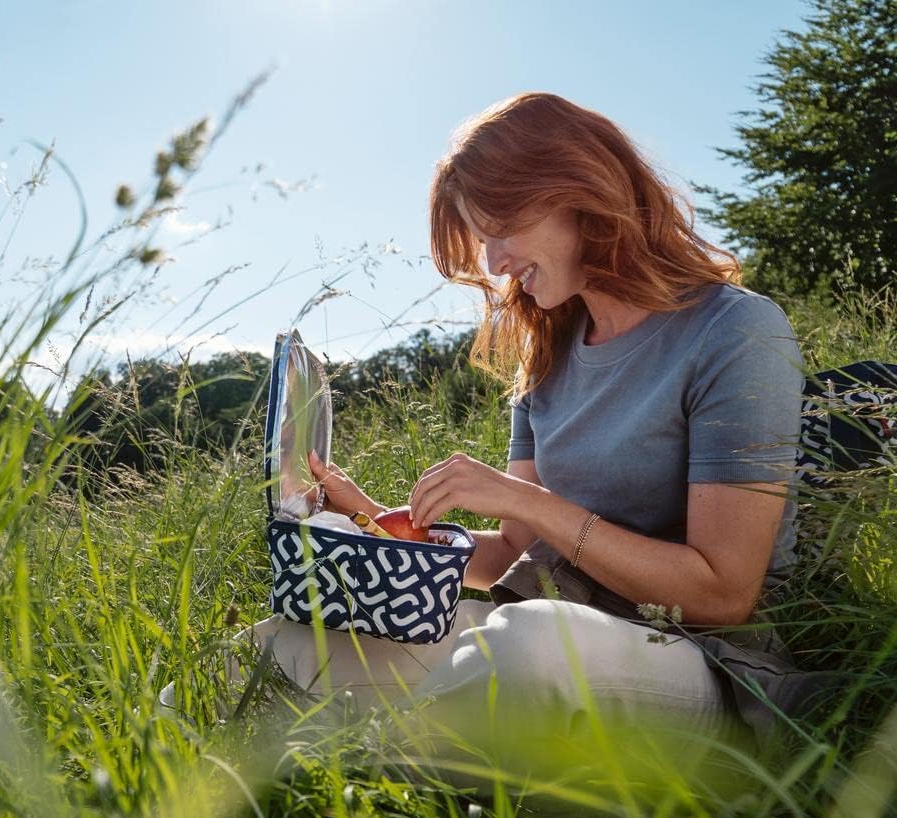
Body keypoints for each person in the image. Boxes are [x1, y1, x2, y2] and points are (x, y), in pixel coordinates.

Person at [231, 93, 809, 774]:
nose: (495, 262)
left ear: (581, 194)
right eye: (483, 239)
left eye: (501, 228)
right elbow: (508, 555)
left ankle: (333, 764)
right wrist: (365, 516)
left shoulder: (735, 331)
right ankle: (270, 758)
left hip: (698, 661)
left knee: (529, 650)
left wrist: (529, 501)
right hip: (546, 622)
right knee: (282, 643)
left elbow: (724, 593)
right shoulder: (546, 360)